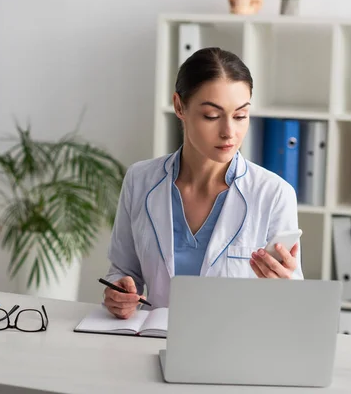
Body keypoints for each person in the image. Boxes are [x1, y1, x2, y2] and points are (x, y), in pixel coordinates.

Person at [102, 47, 303, 319]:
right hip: (151, 342)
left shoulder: (274, 194)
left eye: (240, 116)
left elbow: (291, 304)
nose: (229, 132)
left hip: (233, 351)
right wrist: (120, 293)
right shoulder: (140, 180)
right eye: (211, 116)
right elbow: (123, 272)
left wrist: (285, 287)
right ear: (179, 106)